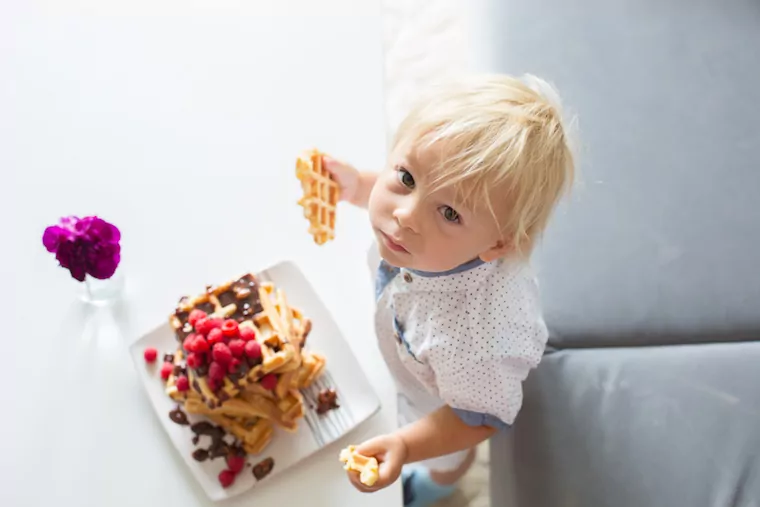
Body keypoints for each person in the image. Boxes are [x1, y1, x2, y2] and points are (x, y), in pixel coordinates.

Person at [324, 73, 575, 507]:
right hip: (409, 345)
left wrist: (406, 447)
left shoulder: (475, 342)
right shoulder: (420, 238)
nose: (403, 216)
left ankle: (441, 486)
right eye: (405, 178)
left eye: (449, 212)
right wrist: (358, 186)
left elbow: (477, 417)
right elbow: (407, 191)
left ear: (497, 244)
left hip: (439, 401)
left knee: (449, 460)